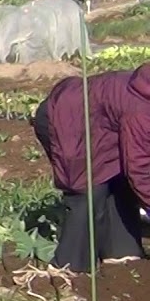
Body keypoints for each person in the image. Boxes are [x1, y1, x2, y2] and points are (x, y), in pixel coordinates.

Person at [33, 64, 150, 272]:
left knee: (120, 183)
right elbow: (140, 168)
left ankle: (122, 255)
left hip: (102, 127)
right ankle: (71, 266)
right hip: (67, 121)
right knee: (89, 190)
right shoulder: (140, 110)